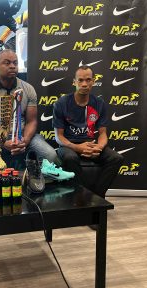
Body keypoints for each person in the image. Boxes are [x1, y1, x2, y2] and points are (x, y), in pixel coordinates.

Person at [0, 49, 69, 192]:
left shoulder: (28, 89)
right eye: (6, 63)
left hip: (24, 137)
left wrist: (24, 141)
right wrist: (3, 143)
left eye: (15, 63)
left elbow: (31, 121)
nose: (12, 66)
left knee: (51, 155)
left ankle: (34, 179)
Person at [53, 66, 124, 198]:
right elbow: (59, 137)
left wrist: (99, 146)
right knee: (70, 158)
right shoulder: (62, 103)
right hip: (68, 145)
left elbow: (102, 134)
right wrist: (76, 147)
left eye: (88, 80)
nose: (84, 84)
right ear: (74, 82)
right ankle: (79, 196)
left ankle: (95, 197)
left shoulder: (99, 103)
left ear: (93, 81)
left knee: (116, 158)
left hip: (90, 144)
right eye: (80, 80)